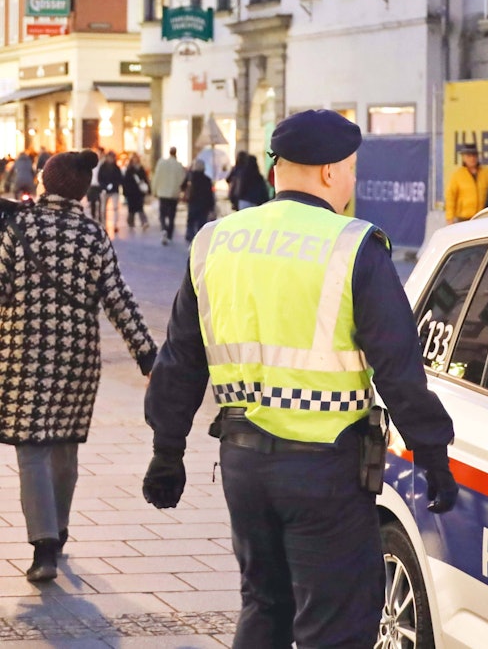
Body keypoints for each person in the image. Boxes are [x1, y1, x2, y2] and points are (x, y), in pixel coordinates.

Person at [142, 109, 458, 648]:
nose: (352, 183)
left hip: (243, 465)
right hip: (325, 471)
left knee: (264, 607)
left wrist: (167, 451)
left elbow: (179, 361)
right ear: (332, 173)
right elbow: (398, 367)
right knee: (335, 623)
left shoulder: (215, 241)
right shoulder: (353, 246)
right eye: (352, 170)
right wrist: (433, 453)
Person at [0, 150, 157, 582]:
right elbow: (117, 298)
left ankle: (44, 546)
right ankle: (60, 529)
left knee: (32, 451)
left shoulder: (19, 226)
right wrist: (147, 355)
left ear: (47, 182)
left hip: (22, 353)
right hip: (76, 358)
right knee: (64, 448)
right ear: (82, 189)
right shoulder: (92, 234)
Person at [444, 142, 488, 224]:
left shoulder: (487, 173)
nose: (472, 159)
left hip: (482, 217)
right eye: (469, 156)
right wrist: (449, 217)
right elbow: (450, 197)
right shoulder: (457, 175)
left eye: (474, 155)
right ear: (463, 157)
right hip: (463, 218)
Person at [152, 147, 186, 245]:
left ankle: (164, 229)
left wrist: (154, 190)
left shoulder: (161, 163)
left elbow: (156, 177)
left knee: (162, 214)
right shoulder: (178, 165)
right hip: (173, 194)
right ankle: (170, 234)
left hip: (162, 193)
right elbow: (182, 180)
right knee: (172, 215)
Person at [182, 158, 215, 242]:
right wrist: (211, 207)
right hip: (204, 205)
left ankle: (190, 237)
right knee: (201, 222)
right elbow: (210, 195)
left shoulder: (190, 177)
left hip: (192, 202)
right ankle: (200, 239)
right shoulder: (207, 179)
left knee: (191, 221)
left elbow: (182, 186)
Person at [122, 153, 151, 230]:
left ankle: (144, 222)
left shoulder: (141, 169)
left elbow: (145, 179)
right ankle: (131, 222)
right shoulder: (129, 170)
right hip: (131, 192)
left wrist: (148, 190)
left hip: (139, 192)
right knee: (131, 209)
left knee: (140, 207)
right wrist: (125, 192)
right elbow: (125, 182)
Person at [98, 150, 123, 233]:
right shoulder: (103, 167)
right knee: (103, 208)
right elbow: (100, 178)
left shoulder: (116, 168)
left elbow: (119, 179)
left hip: (114, 190)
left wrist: (113, 185)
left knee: (115, 208)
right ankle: (103, 223)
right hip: (104, 190)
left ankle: (115, 225)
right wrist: (104, 186)